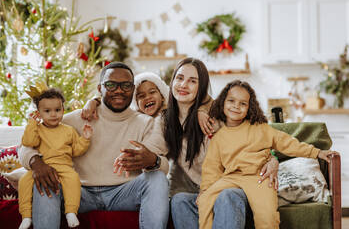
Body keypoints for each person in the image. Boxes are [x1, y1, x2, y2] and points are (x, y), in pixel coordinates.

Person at [114, 58, 279, 229]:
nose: (184, 85)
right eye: (180, 78)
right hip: (203, 190)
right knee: (179, 200)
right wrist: (132, 155)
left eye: (192, 81)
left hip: (236, 185)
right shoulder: (166, 119)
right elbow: (152, 146)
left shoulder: (220, 113)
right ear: (172, 82)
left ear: (201, 87)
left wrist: (272, 159)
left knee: (226, 195)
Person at [18, 62, 170, 229]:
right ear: (100, 88)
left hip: (123, 193)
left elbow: (163, 166)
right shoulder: (75, 119)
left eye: (126, 85)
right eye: (111, 85)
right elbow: (25, 146)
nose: (119, 90)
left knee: (157, 178)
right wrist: (35, 162)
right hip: (79, 192)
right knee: (48, 181)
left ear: (133, 89)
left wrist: (154, 160)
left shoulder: (146, 123)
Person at [197, 80, 337, 229]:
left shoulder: (260, 129)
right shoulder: (219, 136)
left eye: (243, 103)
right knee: (205, 199)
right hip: (231, 177)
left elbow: (288, 143)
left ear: (249, 108)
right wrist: (205, 189)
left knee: (267, 216)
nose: (236, 106)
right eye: (231, 100)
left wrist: (317, 152)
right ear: (223, 102)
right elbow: (211, 167)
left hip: (260, 177)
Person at [18, 87, 93, 229]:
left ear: (63, 110)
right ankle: (26, 216)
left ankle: (71, 211)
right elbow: (29, 142)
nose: (53, 115)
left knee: (73, 179)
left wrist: (85, 139)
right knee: (24, 182)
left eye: (57, 110)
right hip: (43, 168)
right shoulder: (37, 129)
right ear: (38, 113)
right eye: (47, 111)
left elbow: (76, 150)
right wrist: (32, 123)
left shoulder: (68, 130)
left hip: (64, 167)